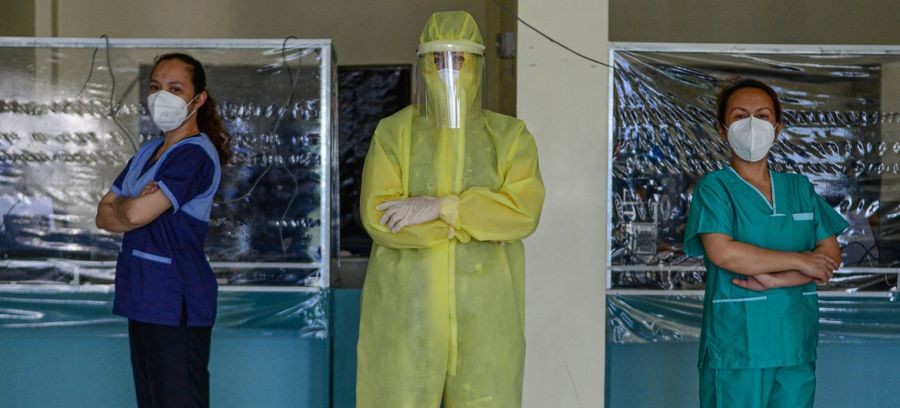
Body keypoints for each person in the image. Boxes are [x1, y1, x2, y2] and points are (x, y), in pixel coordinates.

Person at [356, 10, 545, 407]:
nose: (446, 69)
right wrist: (476, 221)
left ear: (475, 62)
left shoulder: (510, 136)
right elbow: (380, 218)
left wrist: (439, 207)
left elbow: (522, 212)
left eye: (457, 58)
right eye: (436, 59)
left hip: (486, 317)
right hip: (408, 315)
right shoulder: (395, 132)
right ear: (423, 63)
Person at [684, 78, 848, 408]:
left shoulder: (799, 188)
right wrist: (802, 262)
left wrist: (778, 278)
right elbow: (724, 252)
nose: (752, 125)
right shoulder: (715, 188)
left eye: (762, 115)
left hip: (794, 344)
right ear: (722, 128)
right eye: (740, 115)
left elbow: (830, 257)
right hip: (737, 346)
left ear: (777, 127)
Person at [95, 53, 230, 408]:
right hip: (143, 297)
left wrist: (128, 206)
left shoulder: (195, 154)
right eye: (155, 88)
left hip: (177, 300)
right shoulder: (149, 151)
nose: (161, 97)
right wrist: (132, 207)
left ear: (197, 99)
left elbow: (131, 213)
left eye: (175, 88)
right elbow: (102, 215)